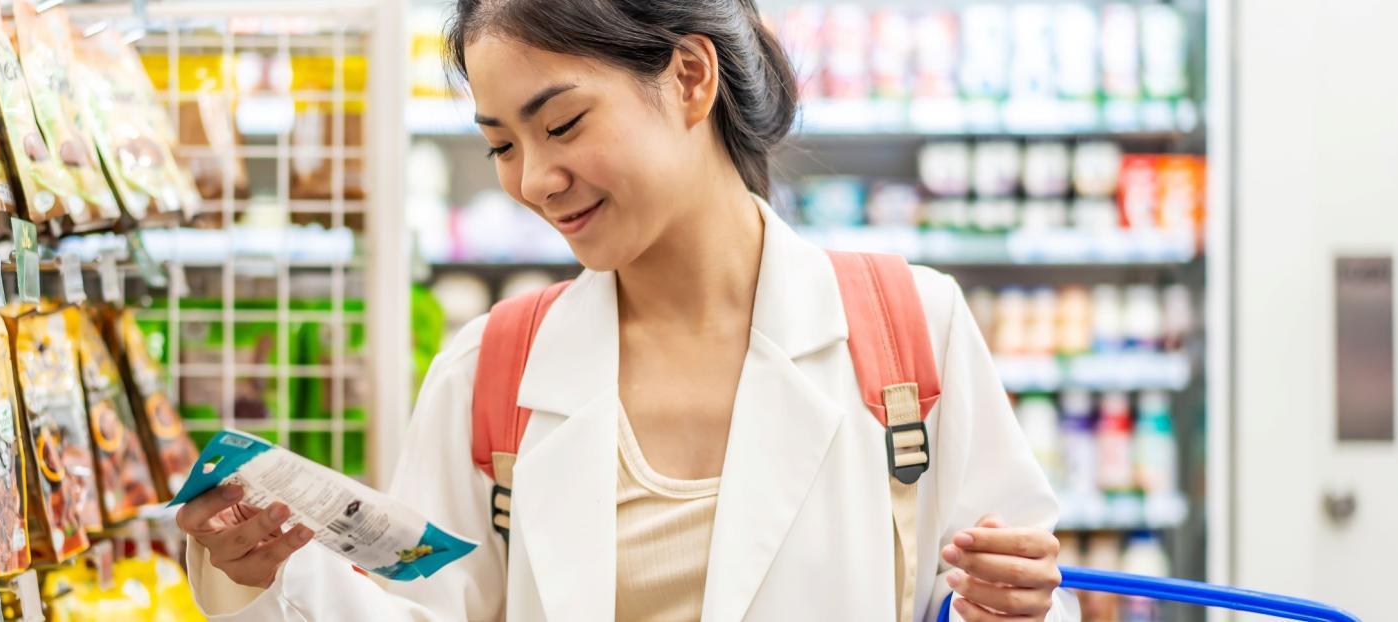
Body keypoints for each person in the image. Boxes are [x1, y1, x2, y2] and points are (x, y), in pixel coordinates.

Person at [179, 1, 1072, 620]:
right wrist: (269, 576)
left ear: (689, 76)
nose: (534, 180)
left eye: (561, 124)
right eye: (501, 144)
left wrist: (1018, 604)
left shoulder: (911, 327)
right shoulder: (491, 370)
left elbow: (1021, 593)